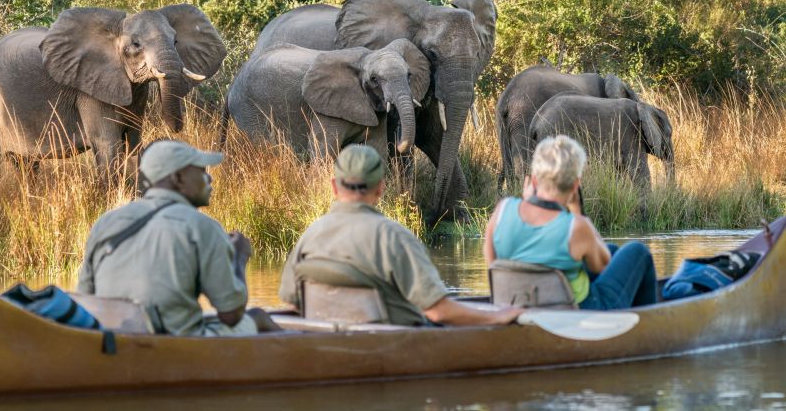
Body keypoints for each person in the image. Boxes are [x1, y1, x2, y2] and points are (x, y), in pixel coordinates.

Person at [280, 144, 522, 326]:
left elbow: (292, 304)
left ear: (334, 186)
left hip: (327, 343)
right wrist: (498, 316)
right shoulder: (393, 237)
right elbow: (438, 311)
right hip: (393, 344)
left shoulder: (310, 235)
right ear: (381, 188)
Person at [78, 140, 278, 336]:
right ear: (177, 178)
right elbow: (231, 315)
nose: (210, 179)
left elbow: (85, 299)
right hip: (176, 345)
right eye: (201, 171)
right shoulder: (203, 227)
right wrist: (239, 257)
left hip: (114, 341)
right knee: (258, 316)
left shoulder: (105, 223)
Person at [483, 135, 658, 310]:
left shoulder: (502, 210)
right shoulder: (576, 227)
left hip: (512, 305)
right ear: (575, 185)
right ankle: (648, 321)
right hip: (576, 312)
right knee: (638, 251)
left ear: (535, 180)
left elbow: (492, 264)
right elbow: (603, 267)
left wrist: (527, 201)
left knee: (612, 250)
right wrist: (576, 210)